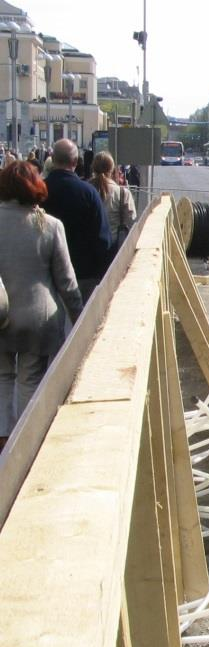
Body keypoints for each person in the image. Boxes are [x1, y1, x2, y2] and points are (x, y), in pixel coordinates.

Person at [0, 161, 83, 452]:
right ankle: (24, 444)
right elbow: (67, 282)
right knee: (30, 379)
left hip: (1, 317)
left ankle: (3, 439)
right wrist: (79, 318)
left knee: (2, 377)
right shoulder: (50, 226)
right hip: (39, 319)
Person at [41, 139, 113, 303]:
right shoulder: (88, 193)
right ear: (75, 161)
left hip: (48, 276)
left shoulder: (40, 191)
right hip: (85, 274)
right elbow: (102, 238)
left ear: (52, 158)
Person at [89, 151, 137, 247]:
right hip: (115, 248)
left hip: (89, 248)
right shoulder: (123, 193)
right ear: (112, 169)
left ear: (93, 167)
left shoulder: (85, 191)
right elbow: (132, 222)